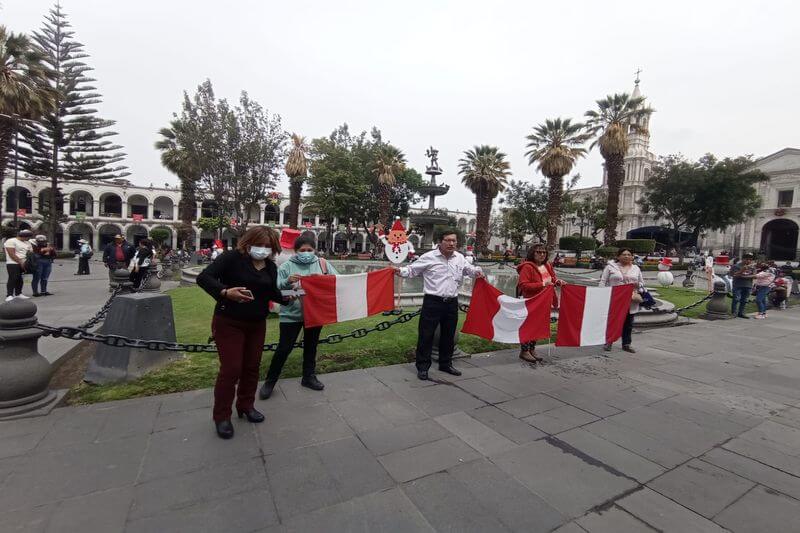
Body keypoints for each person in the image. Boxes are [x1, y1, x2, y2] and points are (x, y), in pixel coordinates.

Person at [197, 226, 286, 439]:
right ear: (248, 241)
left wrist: (289, 295)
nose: (263, 249)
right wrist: (226, 292)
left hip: (256, 323)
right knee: (231, 369)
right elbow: (204, 278)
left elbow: (271, 292)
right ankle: (222, 416)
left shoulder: (270, 267)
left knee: (252, 367)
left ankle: (246, 405)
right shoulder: (232, 258)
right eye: (260, 244)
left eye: (268, 246)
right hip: (229, 322)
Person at [395, 230, 484, 380]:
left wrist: (477, 272)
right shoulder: (429, 257)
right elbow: (411, 270)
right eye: (448, 240)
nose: (451, 243)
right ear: (440, 242)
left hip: (451, 303)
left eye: (454, 241)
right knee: (426, 335)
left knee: (448, 336)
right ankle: (423, 367)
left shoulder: (460, 258)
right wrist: (399, 270)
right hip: (433, 302)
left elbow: (469, 270)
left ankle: (445, 364)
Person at [259, 235, 339, 399]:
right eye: (303, 250)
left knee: (311, 347)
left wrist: (322, 280)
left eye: (310, 250)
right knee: (284, 348)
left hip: (315, 314)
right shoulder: (287, 266)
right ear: (296, 251)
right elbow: (276, 290)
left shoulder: (322, 263)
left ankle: (308, 377)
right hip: (291, 315)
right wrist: (288, 282)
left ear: (314, 250)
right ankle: (270, 381)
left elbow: (337, 281)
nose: (306, 253)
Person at [516, 243, 564, 363]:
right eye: (538, 252)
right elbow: (523, 285)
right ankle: (524, 351)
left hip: (543, 302)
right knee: (528, 326)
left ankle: (532, 349)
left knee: (537, 326)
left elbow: (552, 279)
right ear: (532, 253)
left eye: (544, 252)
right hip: (531, 301)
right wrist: (543, 284)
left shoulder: (547, 266)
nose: (542, 254)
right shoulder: (527, 267)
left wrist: (558, 281)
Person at [599, 248, 644, 353]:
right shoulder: (610, 267)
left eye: (629, 254)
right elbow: (603, 282)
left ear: (632, 257)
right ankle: (608, 342)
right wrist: (602, 295)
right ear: (618, 256)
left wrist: (638, 285)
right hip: (615, 299)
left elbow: (642, 283)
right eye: (624, 254)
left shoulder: (636, 268)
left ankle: (626, 344)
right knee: (613, 321)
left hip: (630, 299)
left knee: (628, 323)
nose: (626, 256)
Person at [4, 229, 34, 301]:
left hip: (24, 262)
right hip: (13, 263)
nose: (29, 239)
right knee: (13, 278)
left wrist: (28, 262)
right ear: (23, 236)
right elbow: (11, 254)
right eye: (28, 237)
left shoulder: (27, 242)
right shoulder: (11, 241)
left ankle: (18, 294)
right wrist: (21, 262)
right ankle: (9, 295)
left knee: (20, 279)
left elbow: (30, 252)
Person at [729, 253, 756, 318]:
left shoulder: (752, 267)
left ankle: (741, 313)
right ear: (742, 259)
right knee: (736, 299)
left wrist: (743, 276)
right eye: (747, 259)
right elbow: (734, 275)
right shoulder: (736, 266)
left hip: (748, 285)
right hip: (738, 285)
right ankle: (734, 313)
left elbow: (755, 276)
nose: (748, 261)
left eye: (750, 260)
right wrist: (742, 270)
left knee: (744, 300)